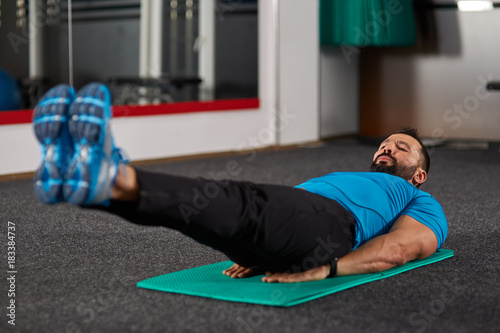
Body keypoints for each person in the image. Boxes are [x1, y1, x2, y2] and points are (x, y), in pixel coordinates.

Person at [33, 83, 448, 283]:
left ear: (419, 172)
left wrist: (328, 267)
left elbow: (401, 249)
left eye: (402, 147)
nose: (388, 148)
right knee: (203, 218)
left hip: (328, 227)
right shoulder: (354, 177)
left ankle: (108, 172)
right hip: (293, 226)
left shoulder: (417, 197)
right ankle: (91, 185)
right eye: (385, 144)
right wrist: (271, 248)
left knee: (238, 202)